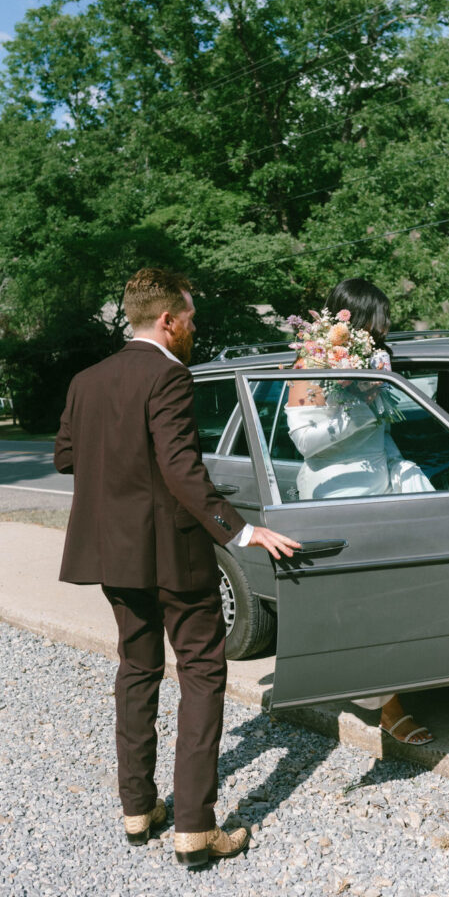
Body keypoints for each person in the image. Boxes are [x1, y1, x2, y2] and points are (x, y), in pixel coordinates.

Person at [54, 268, 299, 867]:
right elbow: (182, 469)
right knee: (201, 674)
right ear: (167, 320)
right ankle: (194, 826)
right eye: (189, 318)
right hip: (174, 555)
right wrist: (242, 530)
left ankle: (137, 809)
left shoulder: (86, 380)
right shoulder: (168, 373)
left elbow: (66, 457)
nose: (193, 328)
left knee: (137, 670)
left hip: (114, 553)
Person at [286, 277, 434, 746]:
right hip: (335, 495)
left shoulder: (375, 361)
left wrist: (398, 471)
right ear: (348, 320)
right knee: (366, 606)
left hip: (380, 489)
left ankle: (382, 684)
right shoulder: (309, 364)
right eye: (372, 327)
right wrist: (366, 408)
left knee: (400, 595)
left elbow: (383, 435)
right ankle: (388, 709)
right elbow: (305, 442)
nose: (377, 337)